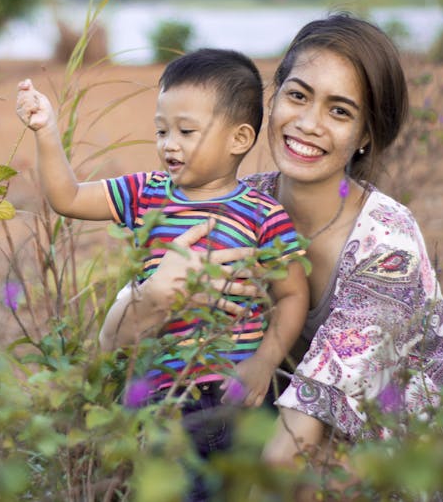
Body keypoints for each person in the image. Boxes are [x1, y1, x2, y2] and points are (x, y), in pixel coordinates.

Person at [99, 14, 443, 499]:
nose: (308, 123)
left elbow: (294, 446)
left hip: (428, 467)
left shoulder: (387, 247)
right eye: (298, 95)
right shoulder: (242, 206)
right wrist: (154, 293)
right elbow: (113, 341)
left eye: (340, 111)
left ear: (366, 135)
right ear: (274, 95)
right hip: (309, 445)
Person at [16, 49, 309, 497]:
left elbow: (291, 295)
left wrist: (265, 360)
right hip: (165, 401)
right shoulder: (147, 193)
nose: (169, 143)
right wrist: (46, 132)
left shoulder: (263, 215)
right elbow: (68, 197)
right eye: (161, 130)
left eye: (186, 131)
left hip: (239, 395)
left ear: (239, 137)